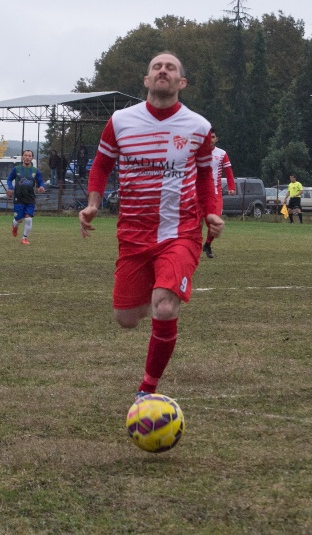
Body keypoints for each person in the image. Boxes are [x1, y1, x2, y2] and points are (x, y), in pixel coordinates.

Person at [79, 52, 221, 399]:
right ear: (146, 80)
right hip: (133, 234)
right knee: (125, 317)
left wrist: (211, 212)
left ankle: (148, 390)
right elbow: (100, 166)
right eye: (156, 67)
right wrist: (93, 204)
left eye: (171, 67)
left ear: (181, 82)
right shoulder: (121, 122)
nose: (163, 71)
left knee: (164, 305)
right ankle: (161, 296)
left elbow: (205, 177)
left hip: (180, 233)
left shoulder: (198, 127)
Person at [203, 127, 235, 258]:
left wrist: (232, 186)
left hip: (216, 193)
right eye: (208, 136)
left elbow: (229, 171)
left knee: (216, 221)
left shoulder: (222, 153)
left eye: (213, 137)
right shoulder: (198, 152)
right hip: (201, 194)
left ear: (217, 139)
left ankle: (207, 245)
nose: (210, 139)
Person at [7, 149, 46, 244]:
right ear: (22, 157)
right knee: (19, 220)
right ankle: (14, 226)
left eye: (29, 156)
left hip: (30, 198)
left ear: (32, 158)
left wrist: (42, 186)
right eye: (26, 155)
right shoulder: (16, 169)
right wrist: (10, 188)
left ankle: (24, 238)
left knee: (28, 218)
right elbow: (9, 179)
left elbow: (41, 181)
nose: (27, 157)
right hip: (19, 198)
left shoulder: (35, 171)